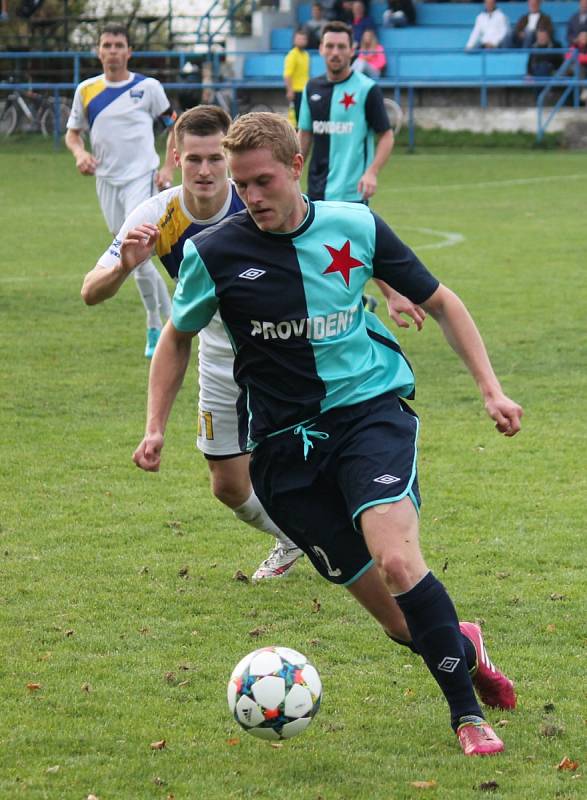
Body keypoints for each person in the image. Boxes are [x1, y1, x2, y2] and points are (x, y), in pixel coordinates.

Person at [133, 111, 522, 756]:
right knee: (402, 623)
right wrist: (154, 427)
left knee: (398, 559)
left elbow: (442, 302)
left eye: (262, 181)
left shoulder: (354, 226)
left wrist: (490, 389)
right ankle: (462, 643)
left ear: (294, 169)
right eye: (240, 184)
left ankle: (467, 717)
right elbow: (176, 338)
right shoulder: (214, 251)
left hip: (368, 413)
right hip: (284, 453)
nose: (251, 197)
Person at [80, 105, 306, 583]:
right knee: (227, 484)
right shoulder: (156, 215)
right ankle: (295, 537)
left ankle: (347, 532)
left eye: (215, 159)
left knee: (304, 453)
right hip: (217, 349)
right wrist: (124, 265)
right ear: (176, 157)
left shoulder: (256, 199)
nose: (205, 171)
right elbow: (90, 291)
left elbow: (327, 234)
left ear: (229, 157)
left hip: (280, 345)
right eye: (194, 160)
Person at [66, 23, 176, 359]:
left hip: (140, 178)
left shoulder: (148, 87)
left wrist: (168, 168)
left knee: (135, 249)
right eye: (107, 45)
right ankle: (167, 321)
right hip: (107, 181)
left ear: (129, 52)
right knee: (131, 256)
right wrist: (80, 153)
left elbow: (175, 125)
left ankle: (159, 325)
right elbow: (73, 134)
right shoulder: (86, 90)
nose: (113, 51)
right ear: (98, 51)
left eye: (119, 45)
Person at [298, 21, 394, 202]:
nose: (335, 52)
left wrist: (372, 172)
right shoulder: (311, 88)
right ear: (321, 49)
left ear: (352, 50)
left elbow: (386, 136)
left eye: (341, 47)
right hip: (317, 191)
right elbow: (304, 134)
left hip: (353, 193)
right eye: (330, 46)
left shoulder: (367, 89)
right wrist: (291, 172)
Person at [283, 29, 310, 126]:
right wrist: (290, 91)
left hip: (305, 90)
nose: (302, 41)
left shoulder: (306, 55)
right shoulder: (292, 55)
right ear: (294, 40)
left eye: (304, 39)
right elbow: (287, 74)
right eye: (299, 39)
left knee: (305, 117)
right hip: (296, 91)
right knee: (297, 119)